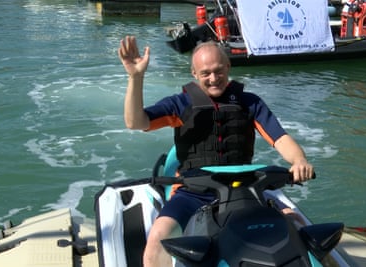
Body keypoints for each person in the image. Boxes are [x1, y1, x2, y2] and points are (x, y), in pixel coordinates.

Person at [118, 35, 315, 267]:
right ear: (194, 74)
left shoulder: (249, 103)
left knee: (297, 223)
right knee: (157, 240)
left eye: (219, 71)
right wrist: (135, 76)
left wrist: (299, 160)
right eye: (205, 73)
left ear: (228, 66)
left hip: (246, 189)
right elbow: (136, 122)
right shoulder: (179, 104)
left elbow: (279, 138)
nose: (213, 79)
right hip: (193, 192)